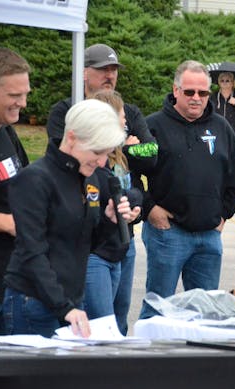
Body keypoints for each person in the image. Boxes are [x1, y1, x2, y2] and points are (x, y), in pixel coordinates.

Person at [2, 99, 140, 338]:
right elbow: (32, 251)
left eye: (106, 153)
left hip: (69, 301)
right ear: (72, 138)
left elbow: (87, 243)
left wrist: (109, 221)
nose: (101, 162)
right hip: (33, 301)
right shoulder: (35, 180)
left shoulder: (89, 176)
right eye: (97, 152)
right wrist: (64, 307)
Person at [139, 60, 235, 318]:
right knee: (157, 309)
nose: (196, 98)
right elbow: (128, 173)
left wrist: (222, 216)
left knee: (205, 313)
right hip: (168, 234)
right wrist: (149, 208)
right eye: (189, 92)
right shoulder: (152, 128)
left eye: (203, 92)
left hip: (209, 237)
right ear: (175, 90)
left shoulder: (222, 128)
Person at [83, 90, 157, 335]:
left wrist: (135, 210)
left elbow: (153, 151)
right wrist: (128, 146)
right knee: (101, 324)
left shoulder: (120, 157)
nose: (126, 123)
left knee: (120, 319)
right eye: (121, 117)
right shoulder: (92, 161)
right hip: (97, 251)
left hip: (125, 243)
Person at [46, 44, 154, 148]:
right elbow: (66, 153)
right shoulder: (66, 111)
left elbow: (152, 151)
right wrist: (122, 150)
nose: (110, 76)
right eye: (103, 69)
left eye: (114, 70)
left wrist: (119, 151)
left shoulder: (130, 112)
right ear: (83, 73)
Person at [0, 48, 30, 334]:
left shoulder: (6, 130)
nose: (23, 103)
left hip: (9, 281)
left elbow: (27, 181)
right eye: (14, 95)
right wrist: (7, 222)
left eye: (25, 94)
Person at [209, 72, 235, 142]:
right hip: (217, 132)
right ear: (219, 82)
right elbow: (208, 112)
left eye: (227, 80)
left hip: (234, 133)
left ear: (232, 83)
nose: (224, 82)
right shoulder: (213, 97)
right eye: (222, 80)